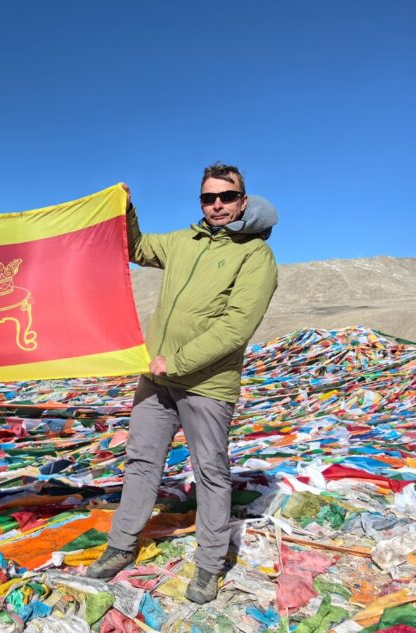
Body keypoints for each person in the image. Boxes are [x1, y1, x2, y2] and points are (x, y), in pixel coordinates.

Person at [86, 164, 278, 604]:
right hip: (157, 379)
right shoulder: (181, 242)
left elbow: (235, 327)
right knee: (140, 461)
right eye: (209, 197)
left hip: (207, 384)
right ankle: (121, 546)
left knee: (210, 472)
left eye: (226, 197)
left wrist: (177, 362)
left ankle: (209, 566)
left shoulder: (255, 256)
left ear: (242, 201)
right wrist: (125, 208)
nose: (217, 205)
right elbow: (135, 247)